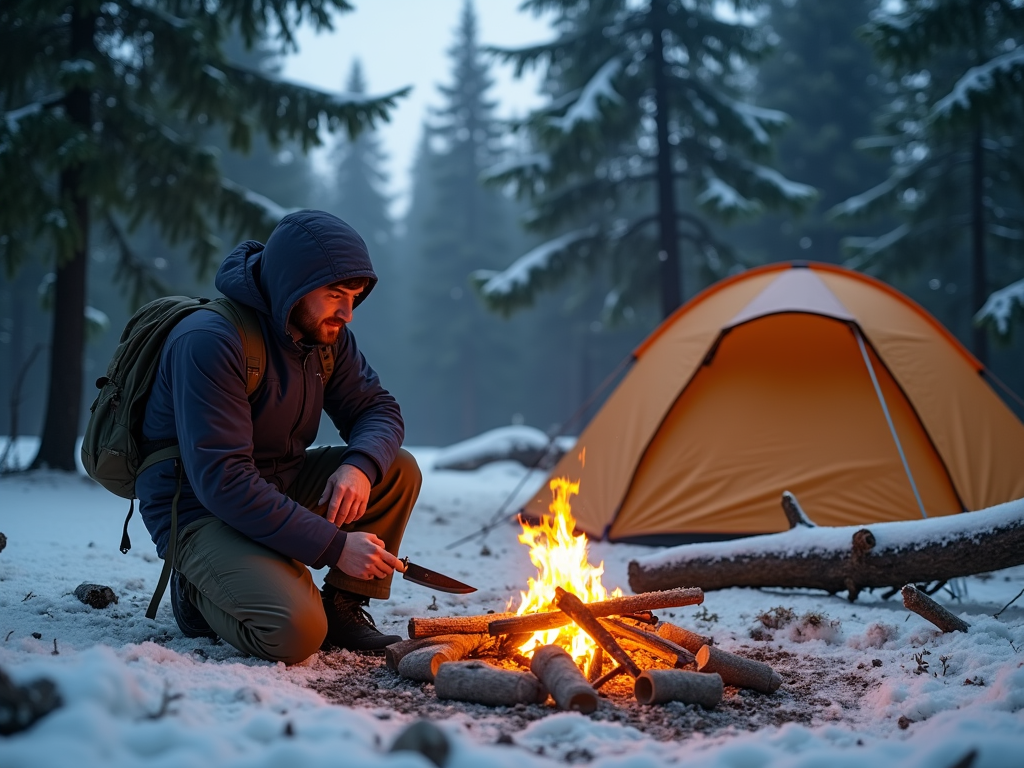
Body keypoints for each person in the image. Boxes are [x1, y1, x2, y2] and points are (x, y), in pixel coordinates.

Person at [136, 209, 420, 664]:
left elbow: (377, 409)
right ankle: (196, 593)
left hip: (274, 484)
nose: (347, 312)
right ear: (293, 283)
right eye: (334, 294)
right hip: (198, 510)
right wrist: (334, 546)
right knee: (296, 633)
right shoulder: (211, 340)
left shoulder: (325, 335)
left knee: (395, 468)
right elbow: (223, 481)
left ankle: (344, 606)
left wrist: (359, 465)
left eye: (355, 295)